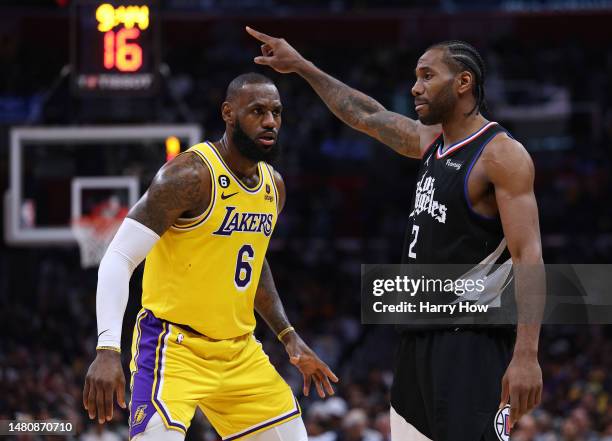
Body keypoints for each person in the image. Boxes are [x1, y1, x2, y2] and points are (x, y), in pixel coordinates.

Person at [246, 27, 544, 441]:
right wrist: (302, 67)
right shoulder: (431, 142)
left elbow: (529, 256)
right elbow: (366, 115)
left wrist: (527, 355)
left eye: (427, 76)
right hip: (414, 340)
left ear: (463, 82)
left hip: (470, 343)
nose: (415, 87)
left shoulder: (500, 154)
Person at [82, 72, 338, 441]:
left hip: (240, 352)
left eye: (277, 112)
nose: (270, 122)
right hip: (174, 348)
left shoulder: (273, 186)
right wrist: (107, 348)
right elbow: (119, 258)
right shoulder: (188, 176)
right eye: (257, 111)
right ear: (228, 113)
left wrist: (288, 335)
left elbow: (252, 262)